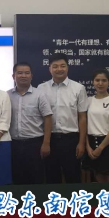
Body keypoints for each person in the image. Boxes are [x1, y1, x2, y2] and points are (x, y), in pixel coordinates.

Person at [38, 53, 88, 184]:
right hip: (49, 139)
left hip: (71, 140)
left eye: (62, 66)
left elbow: (82, 117)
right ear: (49, 69)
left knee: (73, 177)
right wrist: (45, 142)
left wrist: (81, 143)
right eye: (55, 66)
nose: (59, 69)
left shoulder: (78, 88)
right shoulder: (41, 89)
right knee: (51, 178)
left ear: (68, 67)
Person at [7, 62, 53, 185]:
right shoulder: (7, 95)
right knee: (16, 179)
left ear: (31, 76)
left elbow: (48, 118)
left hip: (34, 144)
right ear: (13, 76)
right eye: (20, 73)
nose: (23, 75)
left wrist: (46, 143)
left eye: (27, 73)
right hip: (13, 144)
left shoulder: (40, 94)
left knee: (36, 179)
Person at [85, 69, 109, 183]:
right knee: (98, 177)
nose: (100, 83)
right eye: (97, 80)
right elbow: (84, 125)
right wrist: (87, 147)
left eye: (104, 80)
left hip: (108, 144)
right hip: (91, 143)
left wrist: (100, 148)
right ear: (93, 82)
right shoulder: (88, 101)